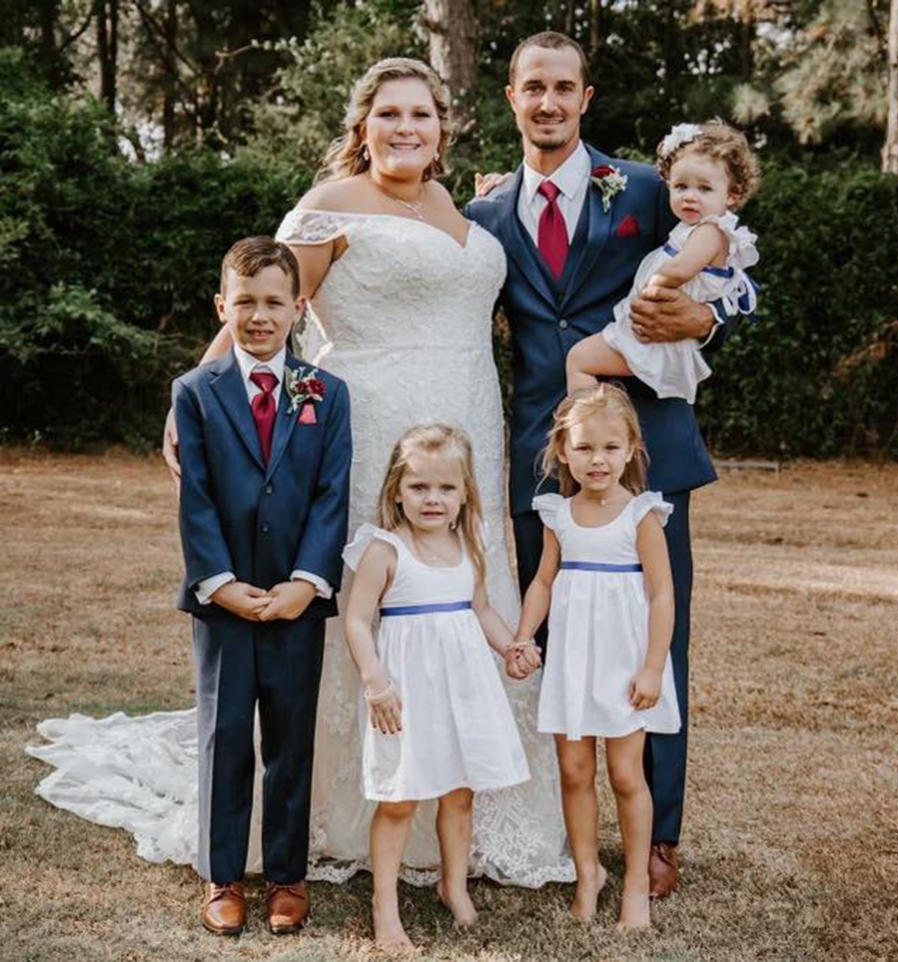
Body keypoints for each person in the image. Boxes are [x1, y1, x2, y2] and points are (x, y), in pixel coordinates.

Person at [30, 57, 571, 890]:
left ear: (442, 129)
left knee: (457, 588)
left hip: (469, 430)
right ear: (362, 128)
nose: (405, 128)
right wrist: (196, 400)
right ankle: (343, 805)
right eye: (388, 114)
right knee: (370, 595)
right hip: (368, 428)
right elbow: (265, 310)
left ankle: (463, 799)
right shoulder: (327, 210)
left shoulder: (462, 209)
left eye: (421, 115)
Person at [466, 31, 757, 896]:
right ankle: (563, 827)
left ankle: (655, 837)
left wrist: (710, 322)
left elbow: (735, 265)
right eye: (532, 88)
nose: (548, 102)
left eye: (564, 87)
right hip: (538, 453)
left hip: (646, 453)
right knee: (546, 635)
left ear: (585, 97)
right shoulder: (483, 216)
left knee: (654, 637)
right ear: (511, 97)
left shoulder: (645, 187)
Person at [173, 236, 351, 935]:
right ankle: (222, 874)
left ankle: (286, 875)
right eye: (245, 302)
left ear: (298, 308)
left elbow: (333, 494)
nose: (259, 316)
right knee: (224, 735)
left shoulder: (327, 393)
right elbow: (198, 499)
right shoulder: (195, 391)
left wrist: (308, 582)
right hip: (223, 602)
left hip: (295, 603)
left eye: (274, 302)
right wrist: (218, 583)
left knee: (289, 736)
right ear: (223, 306)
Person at [343, 424, 533, 950]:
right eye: (419, 487)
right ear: (396, 492)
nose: (432, 499)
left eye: (446, 489)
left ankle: (454, 883)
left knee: (460, 790)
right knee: (401, 797)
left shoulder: (468, 546)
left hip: (464, 688)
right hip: (405, 692)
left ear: (464, 494)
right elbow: (357, 621)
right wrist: (377, 683)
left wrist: (511, 647)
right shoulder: (385, 549)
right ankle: (385, 906)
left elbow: (480, 610)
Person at [515, 383, 678, 929]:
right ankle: (588, 872)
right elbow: (542, 583)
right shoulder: (558, 514)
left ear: (631, 448)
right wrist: (522, 636)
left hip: (625, 663)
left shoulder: (642, 515)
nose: (598, 460)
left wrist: (653, 666)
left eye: (610, 447)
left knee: (626, 773)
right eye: (585, 448)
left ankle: (634, 882)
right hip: (572, 660)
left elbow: (661, 594)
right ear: (564, 451)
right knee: (574, 768)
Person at [566, 121, 759, 401]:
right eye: (681, 186)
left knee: (579, 360)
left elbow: (681, 269)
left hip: (658, 337)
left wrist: (654, 285)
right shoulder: (690, 228)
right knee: (583, 362)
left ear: (732, 195)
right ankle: (600, 423)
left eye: (704, 189)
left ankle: (590, 425)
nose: (690, 197)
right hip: (647, 330)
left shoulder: (711, 232)